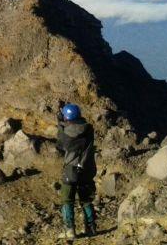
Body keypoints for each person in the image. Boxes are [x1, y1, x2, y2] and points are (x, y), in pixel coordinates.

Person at [56, 103, 97, 240]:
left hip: (71, 169)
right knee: (86, 200)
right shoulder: (88, 128)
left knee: (67, 200)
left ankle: (70, 231)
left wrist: (60, 123)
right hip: (87, 168)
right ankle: (91, 229)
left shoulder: (66, 131)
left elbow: (60, 144)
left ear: (67, 117)